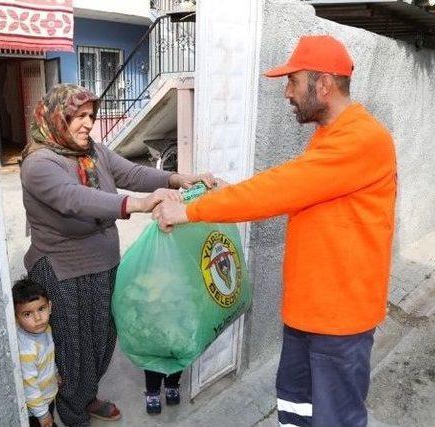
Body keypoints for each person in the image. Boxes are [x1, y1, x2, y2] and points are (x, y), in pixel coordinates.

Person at [153, 35, 397, 427]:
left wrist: (190, 211)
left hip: (340, 318)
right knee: (297, 407)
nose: (287, 92)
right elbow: (300, 190)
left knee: (335, 417)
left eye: (293, 81)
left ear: (323, 85)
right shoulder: (330, 135)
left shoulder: (363, 139)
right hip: (309, 311)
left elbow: (283, 188)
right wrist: (231, 194)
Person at [20, 83, 214, 426]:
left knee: (103, 338)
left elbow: (132, 172)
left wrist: (179, 178)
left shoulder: (92, 152)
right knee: (71, 348)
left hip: (105, 263)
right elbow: (74, 198)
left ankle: (87, 395)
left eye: (90, 116)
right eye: (77, 116)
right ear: (55, 118)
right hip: (64, 270)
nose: (87, 124)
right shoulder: (38, 164)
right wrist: (136, 204)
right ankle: (73, 411)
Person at [13, 278, 58, 427]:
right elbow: (28, 385)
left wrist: (55, 373)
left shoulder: (46, 330)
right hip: (36, 408)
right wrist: (43, 415)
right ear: (16, 318)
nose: (38, 318)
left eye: (41, 309)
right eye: (27, 314)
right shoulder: (26, 350)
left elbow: (49, 356)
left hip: (47, 396)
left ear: (49, 307)